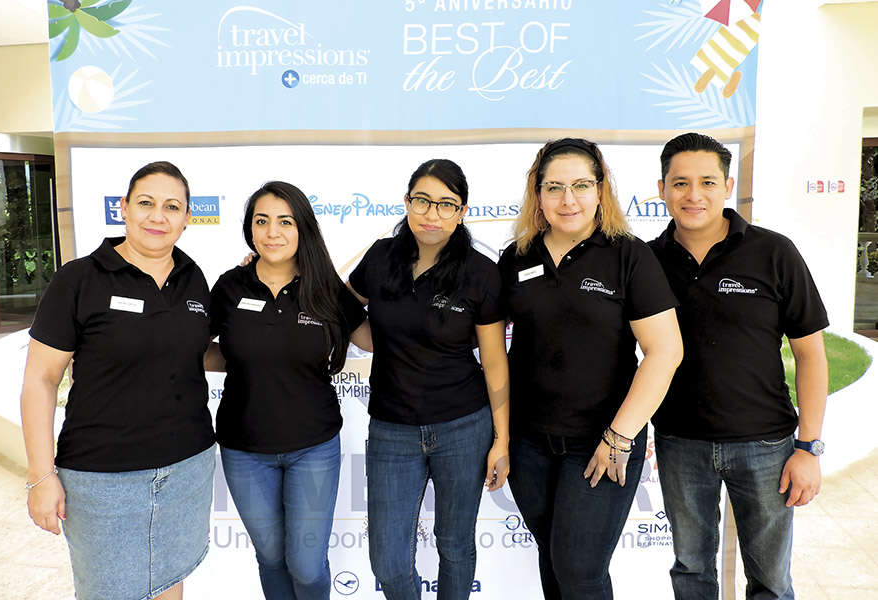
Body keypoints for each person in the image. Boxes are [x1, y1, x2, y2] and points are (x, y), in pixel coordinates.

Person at [497, 138, 683, 600]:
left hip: (601, 442)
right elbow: (480, 336)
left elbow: (665, 352)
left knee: (580, 570)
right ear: (537, 193)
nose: (568, 199)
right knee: (554, 561)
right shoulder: (517, 257)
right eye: (554, 187)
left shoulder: (628, 255)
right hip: (529, 445)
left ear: (601, 190)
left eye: (581, 185)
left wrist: (619, 437)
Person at [20, 161, 215, 600]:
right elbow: (40, 380)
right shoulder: (79, 279)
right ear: (124, 209)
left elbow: (199, 349)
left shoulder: (193, 278)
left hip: (187, 469)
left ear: (186, 219)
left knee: (169, 583)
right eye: (146, 203)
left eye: (172, 206)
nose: (158, 216)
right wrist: (40, 475)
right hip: (101, 480)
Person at [649, 132, 829, 600]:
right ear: (662, 188)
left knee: (770, 580)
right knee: (691, 572)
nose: (694, 195)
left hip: (766, 444)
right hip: (679, 442)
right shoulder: (646, 261)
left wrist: (808, 447)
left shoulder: (773, 253)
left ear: (727, 186)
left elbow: (811, 353)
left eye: (707, 181)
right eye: (680, 182)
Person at [347, 158, 510, 600]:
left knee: (455, 544)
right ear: (406, 203)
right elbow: (340, 308)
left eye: (445, 204)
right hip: (391, 429)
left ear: (462, 212)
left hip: (463, 425)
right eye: (422, 201)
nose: (431, 214)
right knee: (388, 559)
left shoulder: (480, 272)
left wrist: (502, 439)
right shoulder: (381, 257)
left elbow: (495, 362)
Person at [206, 181, 371, 600]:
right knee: (271, 556)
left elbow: (374, 338)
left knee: (307, 563)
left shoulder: (325, 287)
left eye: (285, 221)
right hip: (245, 450)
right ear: (250, 229)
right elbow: (198, 349)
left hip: (312, 447)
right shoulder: (229, 288)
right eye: (262, 221)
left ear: (302, 229)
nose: (272, 232)